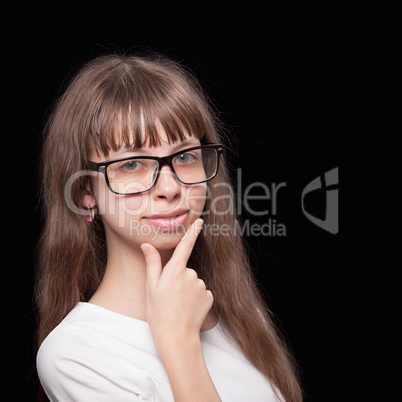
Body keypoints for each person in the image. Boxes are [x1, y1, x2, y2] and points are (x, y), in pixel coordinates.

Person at [36, 53, 302, 401]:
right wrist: (180, 343)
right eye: (131, 164)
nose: (171, 187)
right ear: (86, 191)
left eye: (186, 157)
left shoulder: (238, 313)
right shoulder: (75, 354)